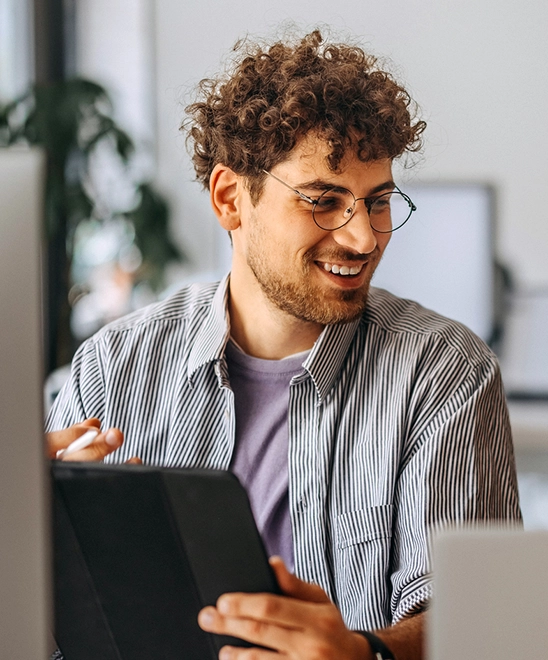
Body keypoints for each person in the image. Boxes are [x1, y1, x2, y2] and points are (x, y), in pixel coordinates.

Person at [46, 30, 521, 660]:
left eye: (378, 203)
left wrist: (365, 654)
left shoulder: (445, 373)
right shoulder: (113, 367)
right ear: (229, 199)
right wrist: (28, 528)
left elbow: (475, 616)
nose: (362, 239)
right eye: (324, 201)